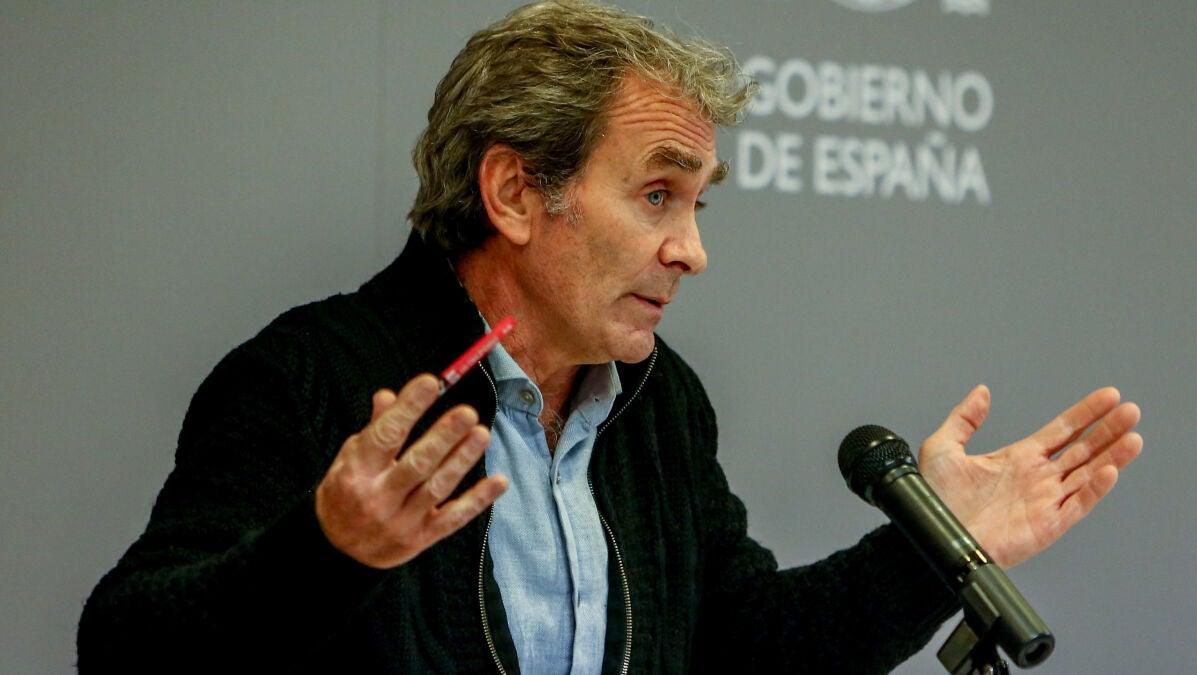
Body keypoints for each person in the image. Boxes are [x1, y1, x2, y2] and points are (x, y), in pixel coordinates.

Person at [77, 1, 1143, 672]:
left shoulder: (660, 401)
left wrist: (932, 551)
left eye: (698, 205)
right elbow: (125, 645)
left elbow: (743, 648)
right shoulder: (309, 377)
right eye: (657, 195)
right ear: (514, 192)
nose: (692, 251)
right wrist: (326, 549)